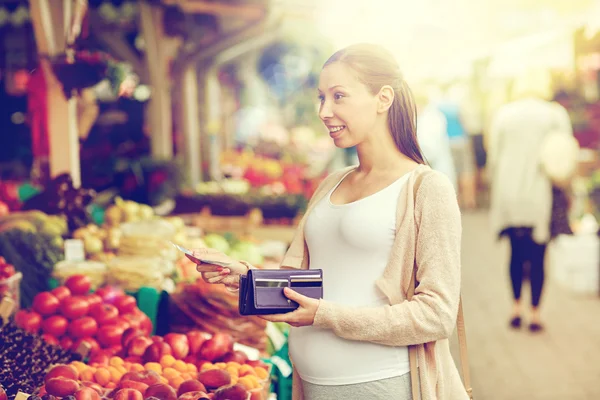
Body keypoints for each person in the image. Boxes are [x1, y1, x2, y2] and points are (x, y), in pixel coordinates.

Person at [192, 44, 468, 400]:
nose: (324, 111)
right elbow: (306, 284)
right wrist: (245, 276)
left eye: (339, 96)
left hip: (379, 385)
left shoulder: (427, 188)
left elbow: (437, 315)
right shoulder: (331, 184)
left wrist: (327, 316)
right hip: (312, 385)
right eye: (321, 97)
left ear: (383, 98)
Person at [488, 69, 575, 333]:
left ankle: (515, 307)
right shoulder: (554, 114)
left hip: (509, 192)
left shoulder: (503, 114)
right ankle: (535, 313)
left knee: (515, 251)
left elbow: (493, 158)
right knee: (538, 254)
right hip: (540, 193)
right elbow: (564, 155)